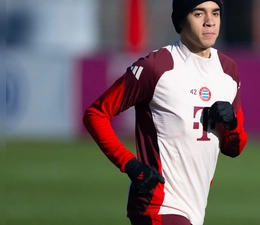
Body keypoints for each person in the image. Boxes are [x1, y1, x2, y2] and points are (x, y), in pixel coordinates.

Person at [83, 0, 248, 224]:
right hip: (158, 205)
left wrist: (232, 124)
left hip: (195, 209)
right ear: (181, 21)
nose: (210, 22)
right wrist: (130, 165)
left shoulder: (229, 72)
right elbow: (96, 114)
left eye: (215, 13)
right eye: (199, 14)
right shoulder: (157, 67)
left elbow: (234, 148)